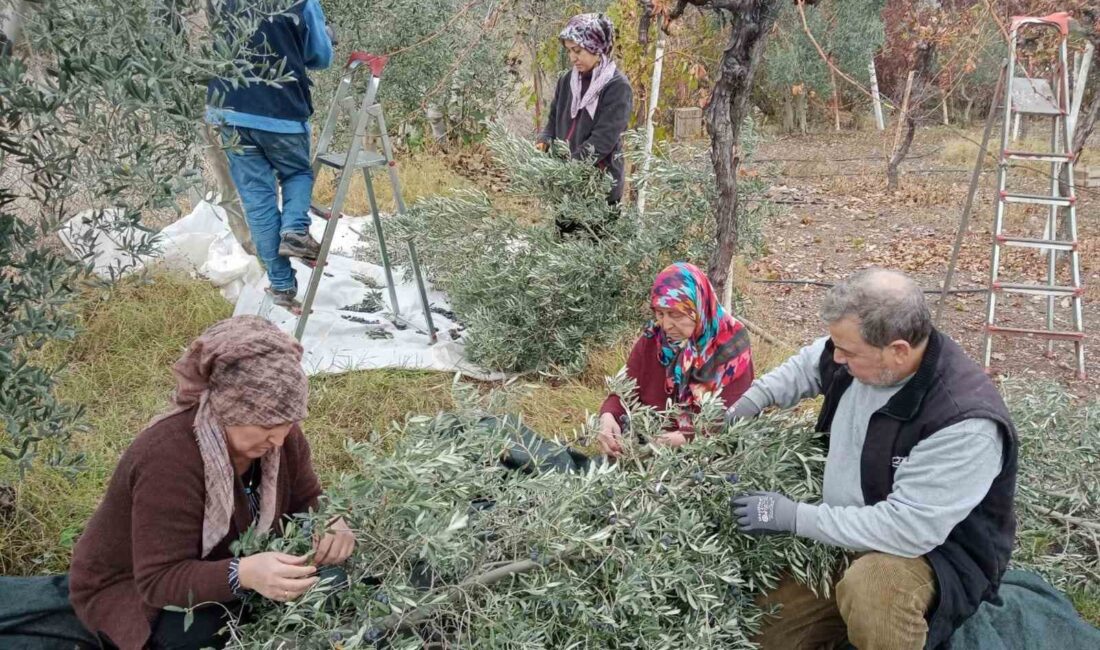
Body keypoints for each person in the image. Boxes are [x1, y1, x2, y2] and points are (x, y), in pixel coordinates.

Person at [726, 268, 1018, 650]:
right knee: (760, 629)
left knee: (873, 589)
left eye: (848, 352)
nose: (837, 358)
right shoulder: (860, 355)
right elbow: (808, 364)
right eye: (837, 346)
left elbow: (906, 530)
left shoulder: (962, 421)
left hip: (930, 557)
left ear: (898, 350)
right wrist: (749, 403)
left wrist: (792, 516)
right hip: (844, 533)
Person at [67, 316, 355, 649]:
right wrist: (243, 574)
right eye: (265, 425)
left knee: (331, 584)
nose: (277, 439)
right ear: (227, 409)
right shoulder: (167, 458)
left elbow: (306, 497)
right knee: (203, 633)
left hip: (232, 562)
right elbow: (158, 581)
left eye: (288, 422)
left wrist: (331, 519)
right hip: (136, 590)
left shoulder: (282, 437)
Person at [205, 0, 334, 310]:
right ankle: (294, 230)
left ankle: (280, 285)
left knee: (257, 199)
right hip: (281, 112)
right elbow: (320, 57)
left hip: (229, 111)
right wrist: (324, 35)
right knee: (297, 173)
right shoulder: (303, 3)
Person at [597, 262, 754, 458]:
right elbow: (624, 391)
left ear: (698, 308)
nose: (666, 325)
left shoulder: (731, 346)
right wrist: (608, 416)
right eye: (660, 314)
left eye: (675, 314)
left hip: (708, 459)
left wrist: (687, 437)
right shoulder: (653, 340)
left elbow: (735, 417)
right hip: (650, 452)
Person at [537, 12, 633, 235]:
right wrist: (544, 139)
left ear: (596, 47)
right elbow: (553, 118)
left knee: (594, 257)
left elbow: (603, 139)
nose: (572, 57)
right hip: (567, 187)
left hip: (599, 187)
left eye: (577, 51)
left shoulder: (617, 87)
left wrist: (570, 169)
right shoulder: (566, 80)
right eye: (569, 50)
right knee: (564, 250)